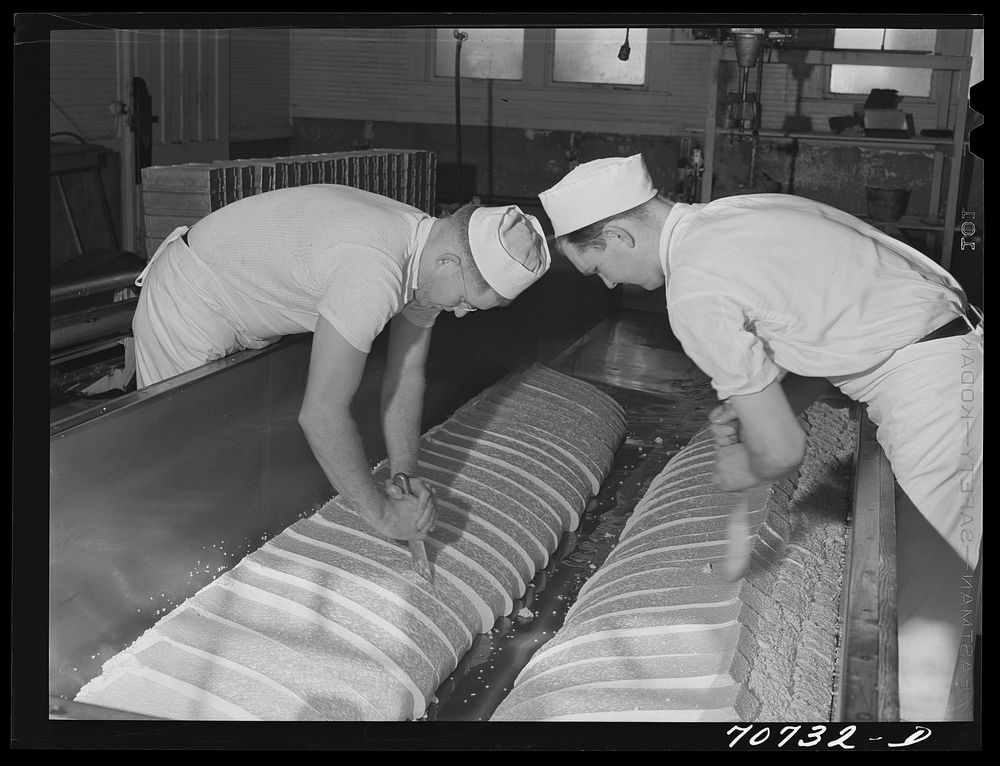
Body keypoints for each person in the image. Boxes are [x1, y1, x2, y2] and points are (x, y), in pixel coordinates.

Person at [538, 154, 982, 722]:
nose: (607, 283)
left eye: (598, 267)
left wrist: (745, 467)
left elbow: (785, 452)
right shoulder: (737, 213)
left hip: (933, 386)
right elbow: (831, 328)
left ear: (620, 234)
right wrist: (769, 403)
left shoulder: (693, 293)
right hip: (949, 350)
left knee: (933, 607)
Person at [132, 183, 551, 545]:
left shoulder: (425, 253)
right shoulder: (376, 267)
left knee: (215, 461)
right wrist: (385, 518)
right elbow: (321, 415)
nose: (460, 314)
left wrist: (404, 479)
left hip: (241, 311)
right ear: (449, 262)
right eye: (465, 302)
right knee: (178, 462)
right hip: (190, 302)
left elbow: (405, 377)